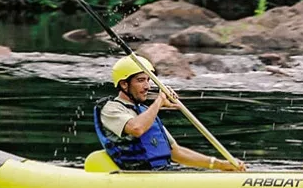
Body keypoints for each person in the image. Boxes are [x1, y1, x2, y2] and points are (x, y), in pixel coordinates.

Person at [93, 55, 246, 171]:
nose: (147, 86)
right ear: (124, 84)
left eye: (148, 80)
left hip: (160, 173)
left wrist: (219, 164)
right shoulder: (111, 108)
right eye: (140, 80)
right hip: (136, 175)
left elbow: (176, 152)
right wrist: (159, 101)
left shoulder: (145, 111)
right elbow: (136, 129)